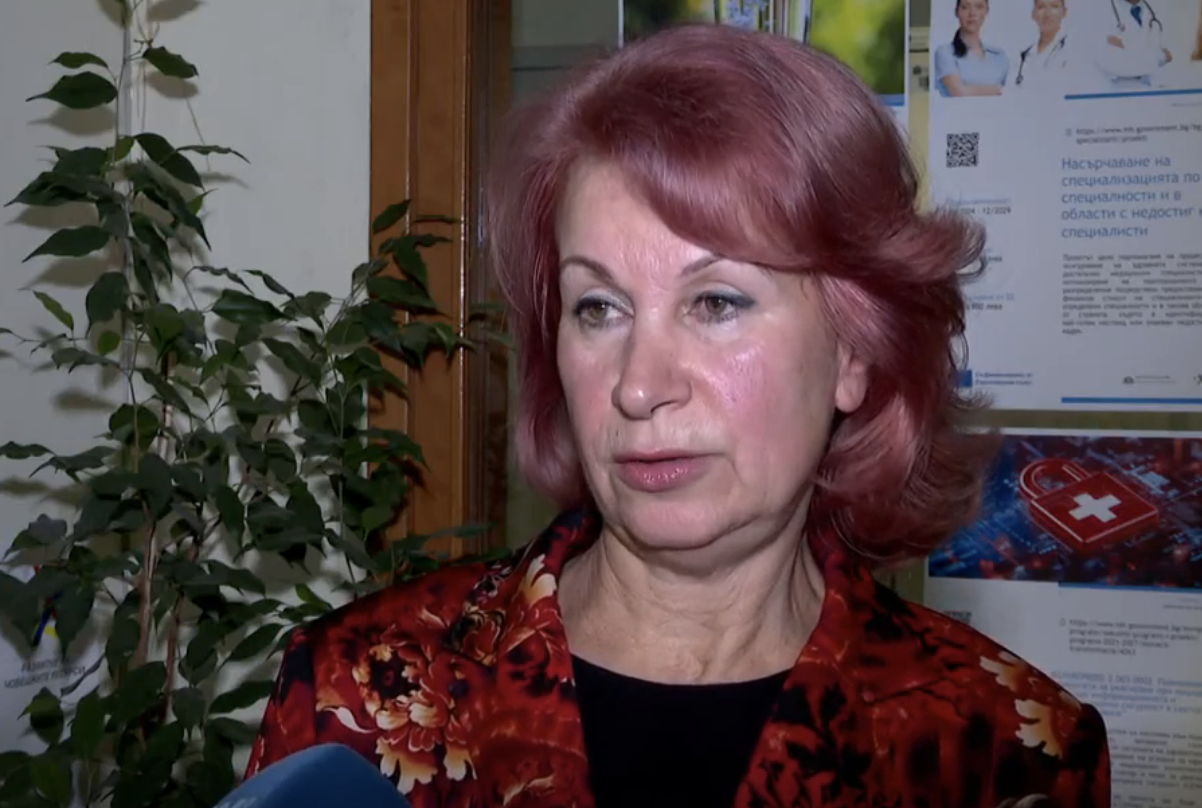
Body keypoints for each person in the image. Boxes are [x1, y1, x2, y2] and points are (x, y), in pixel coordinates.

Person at [244, 23, 1111, 808]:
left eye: (717, 302)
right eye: (598, 308)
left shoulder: (1006, 751)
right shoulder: (357, 701)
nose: (638, 386)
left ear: (855, 352)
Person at [935, 0, 1010, 96]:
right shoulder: (945, 52)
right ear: (956, 12)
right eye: (965, 7)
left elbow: (1013, 94)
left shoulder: (999, 56)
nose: (972, 13)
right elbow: (959, 92)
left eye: (979, 7)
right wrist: (999, 90)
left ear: (986, 11)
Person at [1095, 0, 1172, 88]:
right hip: (1118, 91)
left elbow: (1170, 57)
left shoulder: (1156, 10)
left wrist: (1128, 52)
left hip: (1155, 90)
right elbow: (1111, 62)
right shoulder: (1101, 10)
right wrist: (1158, 58)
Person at [1013, 0, 1070, 88]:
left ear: (1064, 12)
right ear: (1033, 14)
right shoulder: (1022, 58)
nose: (1047, 14)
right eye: (1041, 7)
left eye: (1054, 6)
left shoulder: (1073, 51)